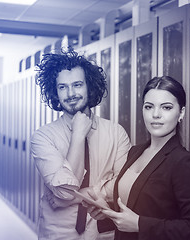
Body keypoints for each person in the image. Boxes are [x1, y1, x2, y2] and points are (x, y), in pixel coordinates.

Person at [86, 76, 190, 240]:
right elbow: (138, 207)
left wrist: (139, 224)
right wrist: (107, 212)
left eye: (166, 107)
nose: (156, 114)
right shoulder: (134, 152)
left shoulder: (184, 163)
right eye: (149, 107)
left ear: (181, 112)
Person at [31, 48, 131, 240]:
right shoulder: (43, 137)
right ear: (55, 92)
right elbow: (64, 193)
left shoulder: (115, 132)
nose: (70, 93)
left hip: (103, 233)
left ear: (89, 87)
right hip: (58, 234)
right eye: (62, 87)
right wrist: (78, 134)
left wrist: (90, 191)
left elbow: (124, 184)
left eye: (77, 85)